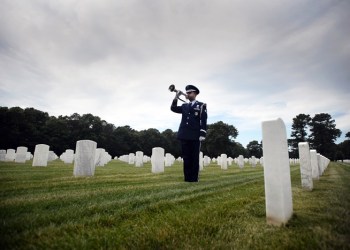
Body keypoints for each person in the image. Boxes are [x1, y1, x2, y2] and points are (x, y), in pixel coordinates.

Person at [171, 85, 207, 182]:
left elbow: (203, 120)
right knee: (186, 158)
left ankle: (194, 179)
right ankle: (187, 179)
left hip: (195, 135)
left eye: (189, 93)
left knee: (194, 158)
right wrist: (176, 97)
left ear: (195, 93)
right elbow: (173, 109)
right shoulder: (184, 106)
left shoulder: (201, 105)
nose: (187, 94)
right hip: (184, 134)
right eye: (187, 93)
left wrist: (202, 134)